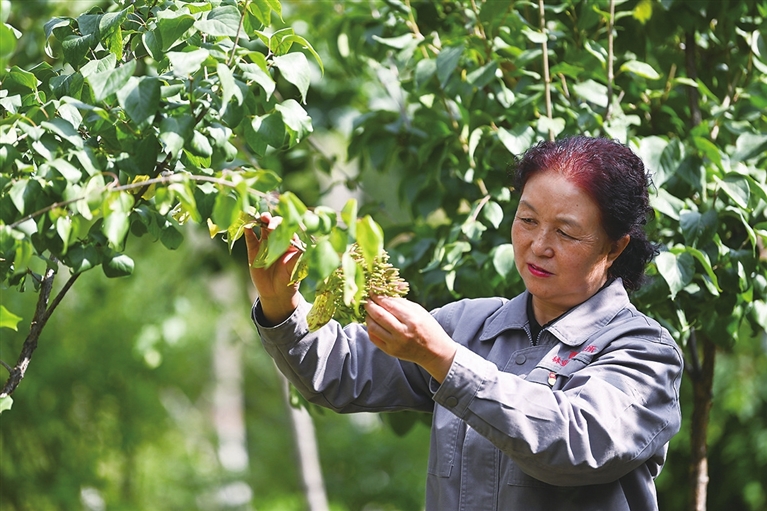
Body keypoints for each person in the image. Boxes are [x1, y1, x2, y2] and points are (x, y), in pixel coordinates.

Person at [245, 136, 684, 511]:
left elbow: (577, 443)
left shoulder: (645, 352)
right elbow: (341, 371)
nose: (538, 245)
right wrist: (281, 303)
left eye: (565, 232)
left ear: (614, 247)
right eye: (527, 220)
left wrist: (445, 360)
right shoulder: (469, 324)